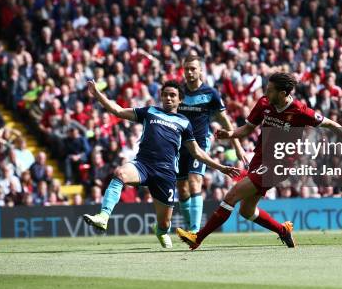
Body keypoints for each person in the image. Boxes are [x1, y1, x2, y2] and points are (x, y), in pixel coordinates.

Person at [176, 72, 342, 250]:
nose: (266, 93)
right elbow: (247, 129)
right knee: (246, 210)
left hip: (279, 165)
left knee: (231, 195)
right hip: (259, 160)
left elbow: (331, 124)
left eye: (270, 90)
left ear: (283, 93)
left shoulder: (299, 110)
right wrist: (230, 134)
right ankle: (283, 231)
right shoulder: (264, 103)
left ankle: (197, 237)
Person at [82, 80, 239, 248]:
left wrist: (221, 167)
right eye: (165, 95)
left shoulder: (184, 123)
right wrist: (97, 94)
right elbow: (118, 111)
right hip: (142, 165)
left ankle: (160, 230)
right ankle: (103, 217)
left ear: (180, 100)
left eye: (172, 95)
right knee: (120, 173)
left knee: (164, 223)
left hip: (166, 174)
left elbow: (197, 152)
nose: (168, 98)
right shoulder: (150, 111)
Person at [176, 55, 246, 232]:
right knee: (182, 190)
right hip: (178, 145)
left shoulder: (210, 94)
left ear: (200, 70)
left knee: (194, 181)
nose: (190, 72)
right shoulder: (178, 93)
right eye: (187, 69)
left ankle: (193, 231)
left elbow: (225, 121)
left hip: (199, 145)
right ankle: (188, 226)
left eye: (193, 68)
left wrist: (237, 147)